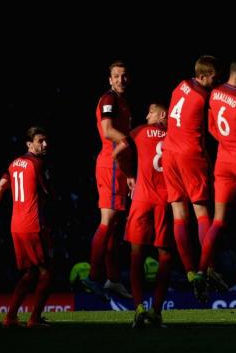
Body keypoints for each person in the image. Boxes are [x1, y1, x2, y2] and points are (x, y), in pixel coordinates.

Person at [0, 126, 54, 327]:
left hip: (16, 226)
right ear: (29, 144)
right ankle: (35, 318)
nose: (45, 144)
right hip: (34, 224)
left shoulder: (14, 164)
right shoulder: (38, 164)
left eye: (46, 140)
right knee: (47, 272)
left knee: (30, 273)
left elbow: (0, 188)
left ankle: (10, 316)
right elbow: (47, 196)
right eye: (40, 141)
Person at [162, 55, 220, 302]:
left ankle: (188, 272)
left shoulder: (181, 85)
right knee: (201, 212)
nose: (216, 82)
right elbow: (211, 130)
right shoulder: (204, 98)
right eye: (214, 78)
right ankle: (206, 269)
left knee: (178, 214)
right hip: (189, 154)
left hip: (169, 152)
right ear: (204, 76)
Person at [203, 61, 236, 294]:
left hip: (222, 159)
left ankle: (202, 268)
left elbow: (211, 127)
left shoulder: (215, 93)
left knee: (217, 220)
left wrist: (226, 140)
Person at [86, 60, 133, 299]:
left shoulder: (122, 102)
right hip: (110, 164)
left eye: (124, 76)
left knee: (114, 227)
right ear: (110, 79)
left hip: (120, 167)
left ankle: (112, 279)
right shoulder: (109, 99)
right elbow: (107, 130)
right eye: (116, 76)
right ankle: (94, 277)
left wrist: (131, 172)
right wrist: (129, 140)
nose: (120, 80)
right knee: (108, 220)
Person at [124, 103, 173, 328]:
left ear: (162, 114)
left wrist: (127, 175)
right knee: (165, 256)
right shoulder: (176, 134)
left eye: (151, 111)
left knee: (137, 256)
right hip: (166, 200)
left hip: (142, 198)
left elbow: (118, 148)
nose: (147, 115)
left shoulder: (140, 131)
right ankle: (156, 311)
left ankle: (138, 309)